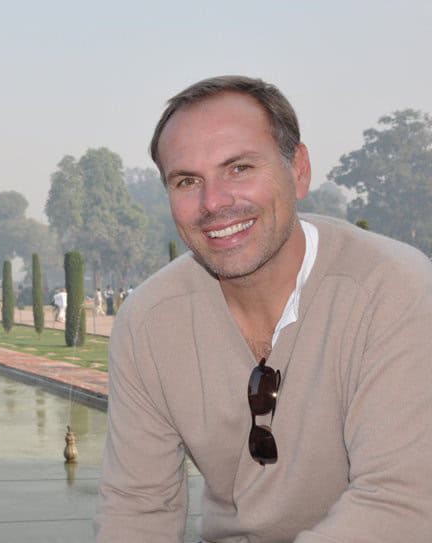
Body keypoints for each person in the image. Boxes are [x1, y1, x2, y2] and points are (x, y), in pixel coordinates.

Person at [96, 76, 432, 541]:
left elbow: (400, 506)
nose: (213, 203)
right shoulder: (151, 321)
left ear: (298, 170)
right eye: (188, 180)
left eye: (239, 168)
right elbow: (138, 508)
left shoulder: (390, 289)